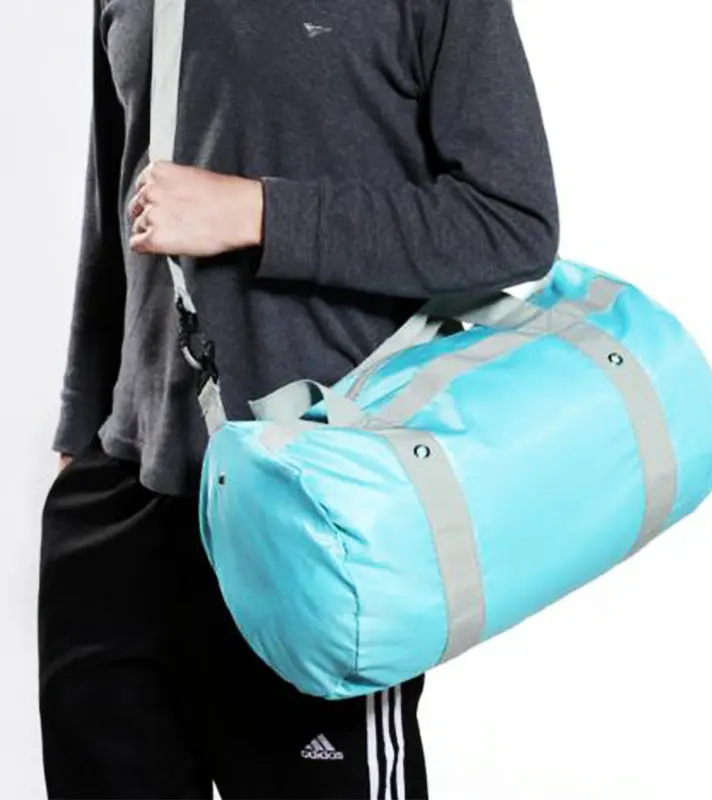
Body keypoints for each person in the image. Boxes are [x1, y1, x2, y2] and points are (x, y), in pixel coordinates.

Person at [38, 0, 558, 797]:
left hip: (312, 510)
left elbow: (512, 222)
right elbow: (114, 206)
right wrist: (81, 433)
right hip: (124, 503)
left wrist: (259, 212)